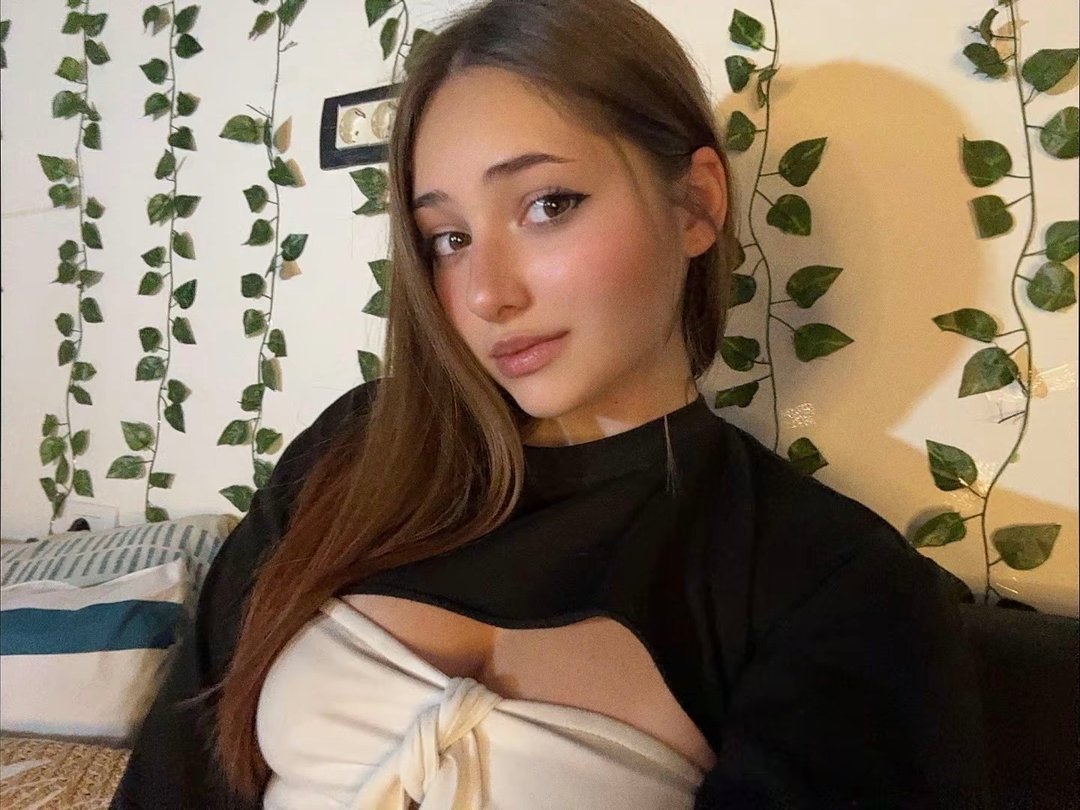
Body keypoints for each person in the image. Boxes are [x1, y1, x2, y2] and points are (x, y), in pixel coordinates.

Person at [112, 0, 992, 807]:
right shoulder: (357, 449)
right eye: (448, 238)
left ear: (696, 204)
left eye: (547, 205)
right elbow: (172, 781)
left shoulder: (832, 581)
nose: (486, 293)